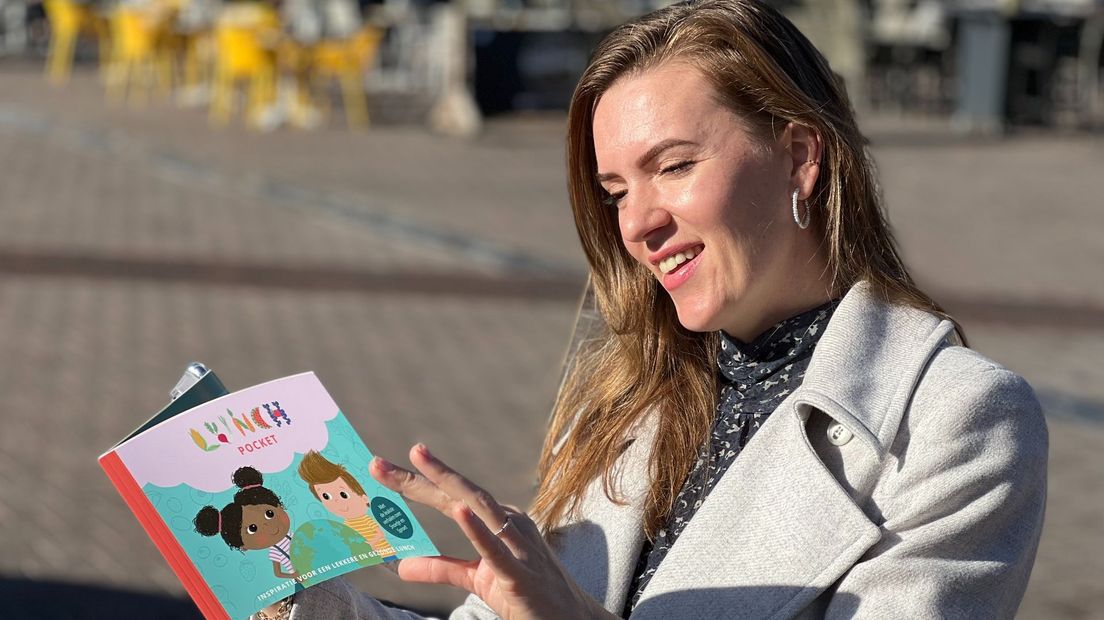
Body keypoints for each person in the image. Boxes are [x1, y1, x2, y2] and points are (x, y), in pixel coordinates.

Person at [265, 0, 1048, 617]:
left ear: (801, 158)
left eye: (673, 167)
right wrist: (293, 598)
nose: (637, 224)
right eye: (614, 192)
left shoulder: (957, 418)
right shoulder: (625, 396)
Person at [195, 466, 299, 581]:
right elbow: (278, 573)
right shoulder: (276, 551)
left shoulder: (299, 535)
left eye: (269, 514)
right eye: (252, 528)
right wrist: (294, 576)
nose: (267, 526)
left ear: (279, 506)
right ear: (244, 547)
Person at [298, 450, 400, 562]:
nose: (336, 502)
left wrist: (372, 543)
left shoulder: (366, 520)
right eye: (326, 497)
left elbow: (380, 533)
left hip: (385, 552)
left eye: (343, 494)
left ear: (364, 498)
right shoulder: (346, 525)